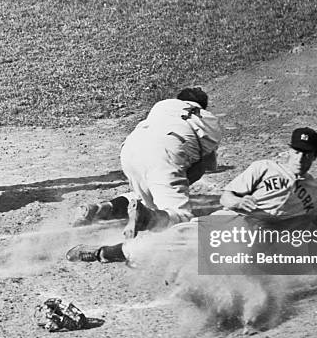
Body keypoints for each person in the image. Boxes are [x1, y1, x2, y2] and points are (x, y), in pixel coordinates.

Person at [66, 126, 317, 264]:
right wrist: (240, 201)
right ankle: (99, 254)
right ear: (288, 151)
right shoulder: (264, 168)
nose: (301, 158)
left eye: (308, 154)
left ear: (315, 156)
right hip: (228, 225)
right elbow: (226, 198)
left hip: (259, 245)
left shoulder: (316, 192)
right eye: (297, 152)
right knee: (158, 247)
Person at [72, 87, 222, 242]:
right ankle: (146, 217)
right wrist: (182, 179)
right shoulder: (209, 120)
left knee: (144, 196)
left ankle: (98, 209)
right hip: (166, 152)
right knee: (181, 218)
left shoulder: (163, 105)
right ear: (203, 106)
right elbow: (205, 165)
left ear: (179, 99)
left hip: (131, 147)